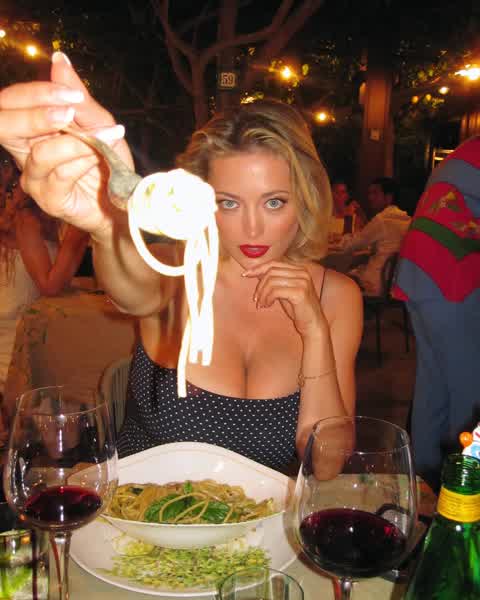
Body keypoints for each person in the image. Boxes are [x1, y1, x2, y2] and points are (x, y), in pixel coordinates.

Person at [0, 51, 363, 472]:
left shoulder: (336, 296)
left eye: (274, 202)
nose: (252, 229)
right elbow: (133, 289)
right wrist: (107, 223)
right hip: (143, 508)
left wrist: (315, 331)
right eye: (228, 203)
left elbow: (326, 464)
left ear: (305, 199)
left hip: (264, 515)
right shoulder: (176, 270)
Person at [393, 136, 480, 492]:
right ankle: (463, 485)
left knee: (433, 383)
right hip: (453, 277)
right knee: (468, 390)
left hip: (421, 275)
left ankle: (422, 479)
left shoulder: (468, 150)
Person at [0, 159, 89, 400]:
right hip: (13, 341)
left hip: (28, 329)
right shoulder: (25, 219)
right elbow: (49, 285)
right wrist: (78, 231)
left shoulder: (37, 217)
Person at [340, 177, 411, 296]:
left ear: (388, 197)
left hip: (374, 283)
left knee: (338, 276)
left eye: (375, 193)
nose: (370, 197)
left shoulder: (382, 220)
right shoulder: (408, 220)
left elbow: (347, 246)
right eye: (369, 193)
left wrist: (348, 218)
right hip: (396, 282)